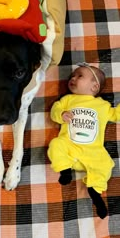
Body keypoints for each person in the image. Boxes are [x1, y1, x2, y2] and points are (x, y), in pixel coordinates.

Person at [47, 63, 118, 219]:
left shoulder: (103, 106)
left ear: (94, 86)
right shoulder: (67, 100)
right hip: (70, 148)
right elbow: (54, 110)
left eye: (80, 76)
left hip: (92, 151)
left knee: (106, 164)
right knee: (56, 145)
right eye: (72, 75)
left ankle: (95, 191)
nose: (73, 78)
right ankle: (65, 171)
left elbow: (116, 115)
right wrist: (61, 114)